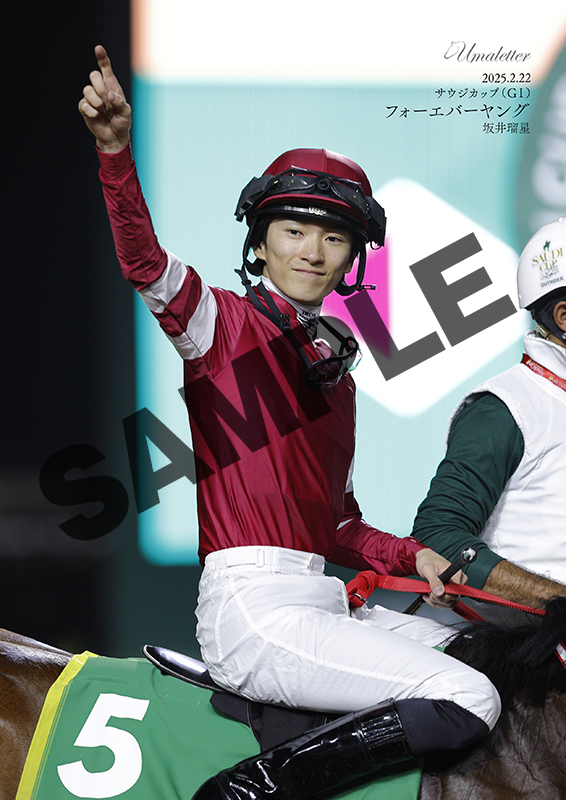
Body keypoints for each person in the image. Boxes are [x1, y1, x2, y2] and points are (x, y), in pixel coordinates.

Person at [79, 46, 500, 800]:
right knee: (470, 696)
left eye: (333, 238)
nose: (313, 251)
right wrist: (115, 151)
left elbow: (337, 527)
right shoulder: (219, 325)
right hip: (253, 612)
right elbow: (143, 263)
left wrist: (415, 556)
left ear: (352, 260)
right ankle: (249, 789)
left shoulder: (340, 379)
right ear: (261, 240)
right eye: (294, 230)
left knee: (475, 653)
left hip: (321, 600)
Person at [412, 218, 566, 616]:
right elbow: (439, 535)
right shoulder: (504, 407)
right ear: (563, 316)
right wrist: (560, 604)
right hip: (526, 642)